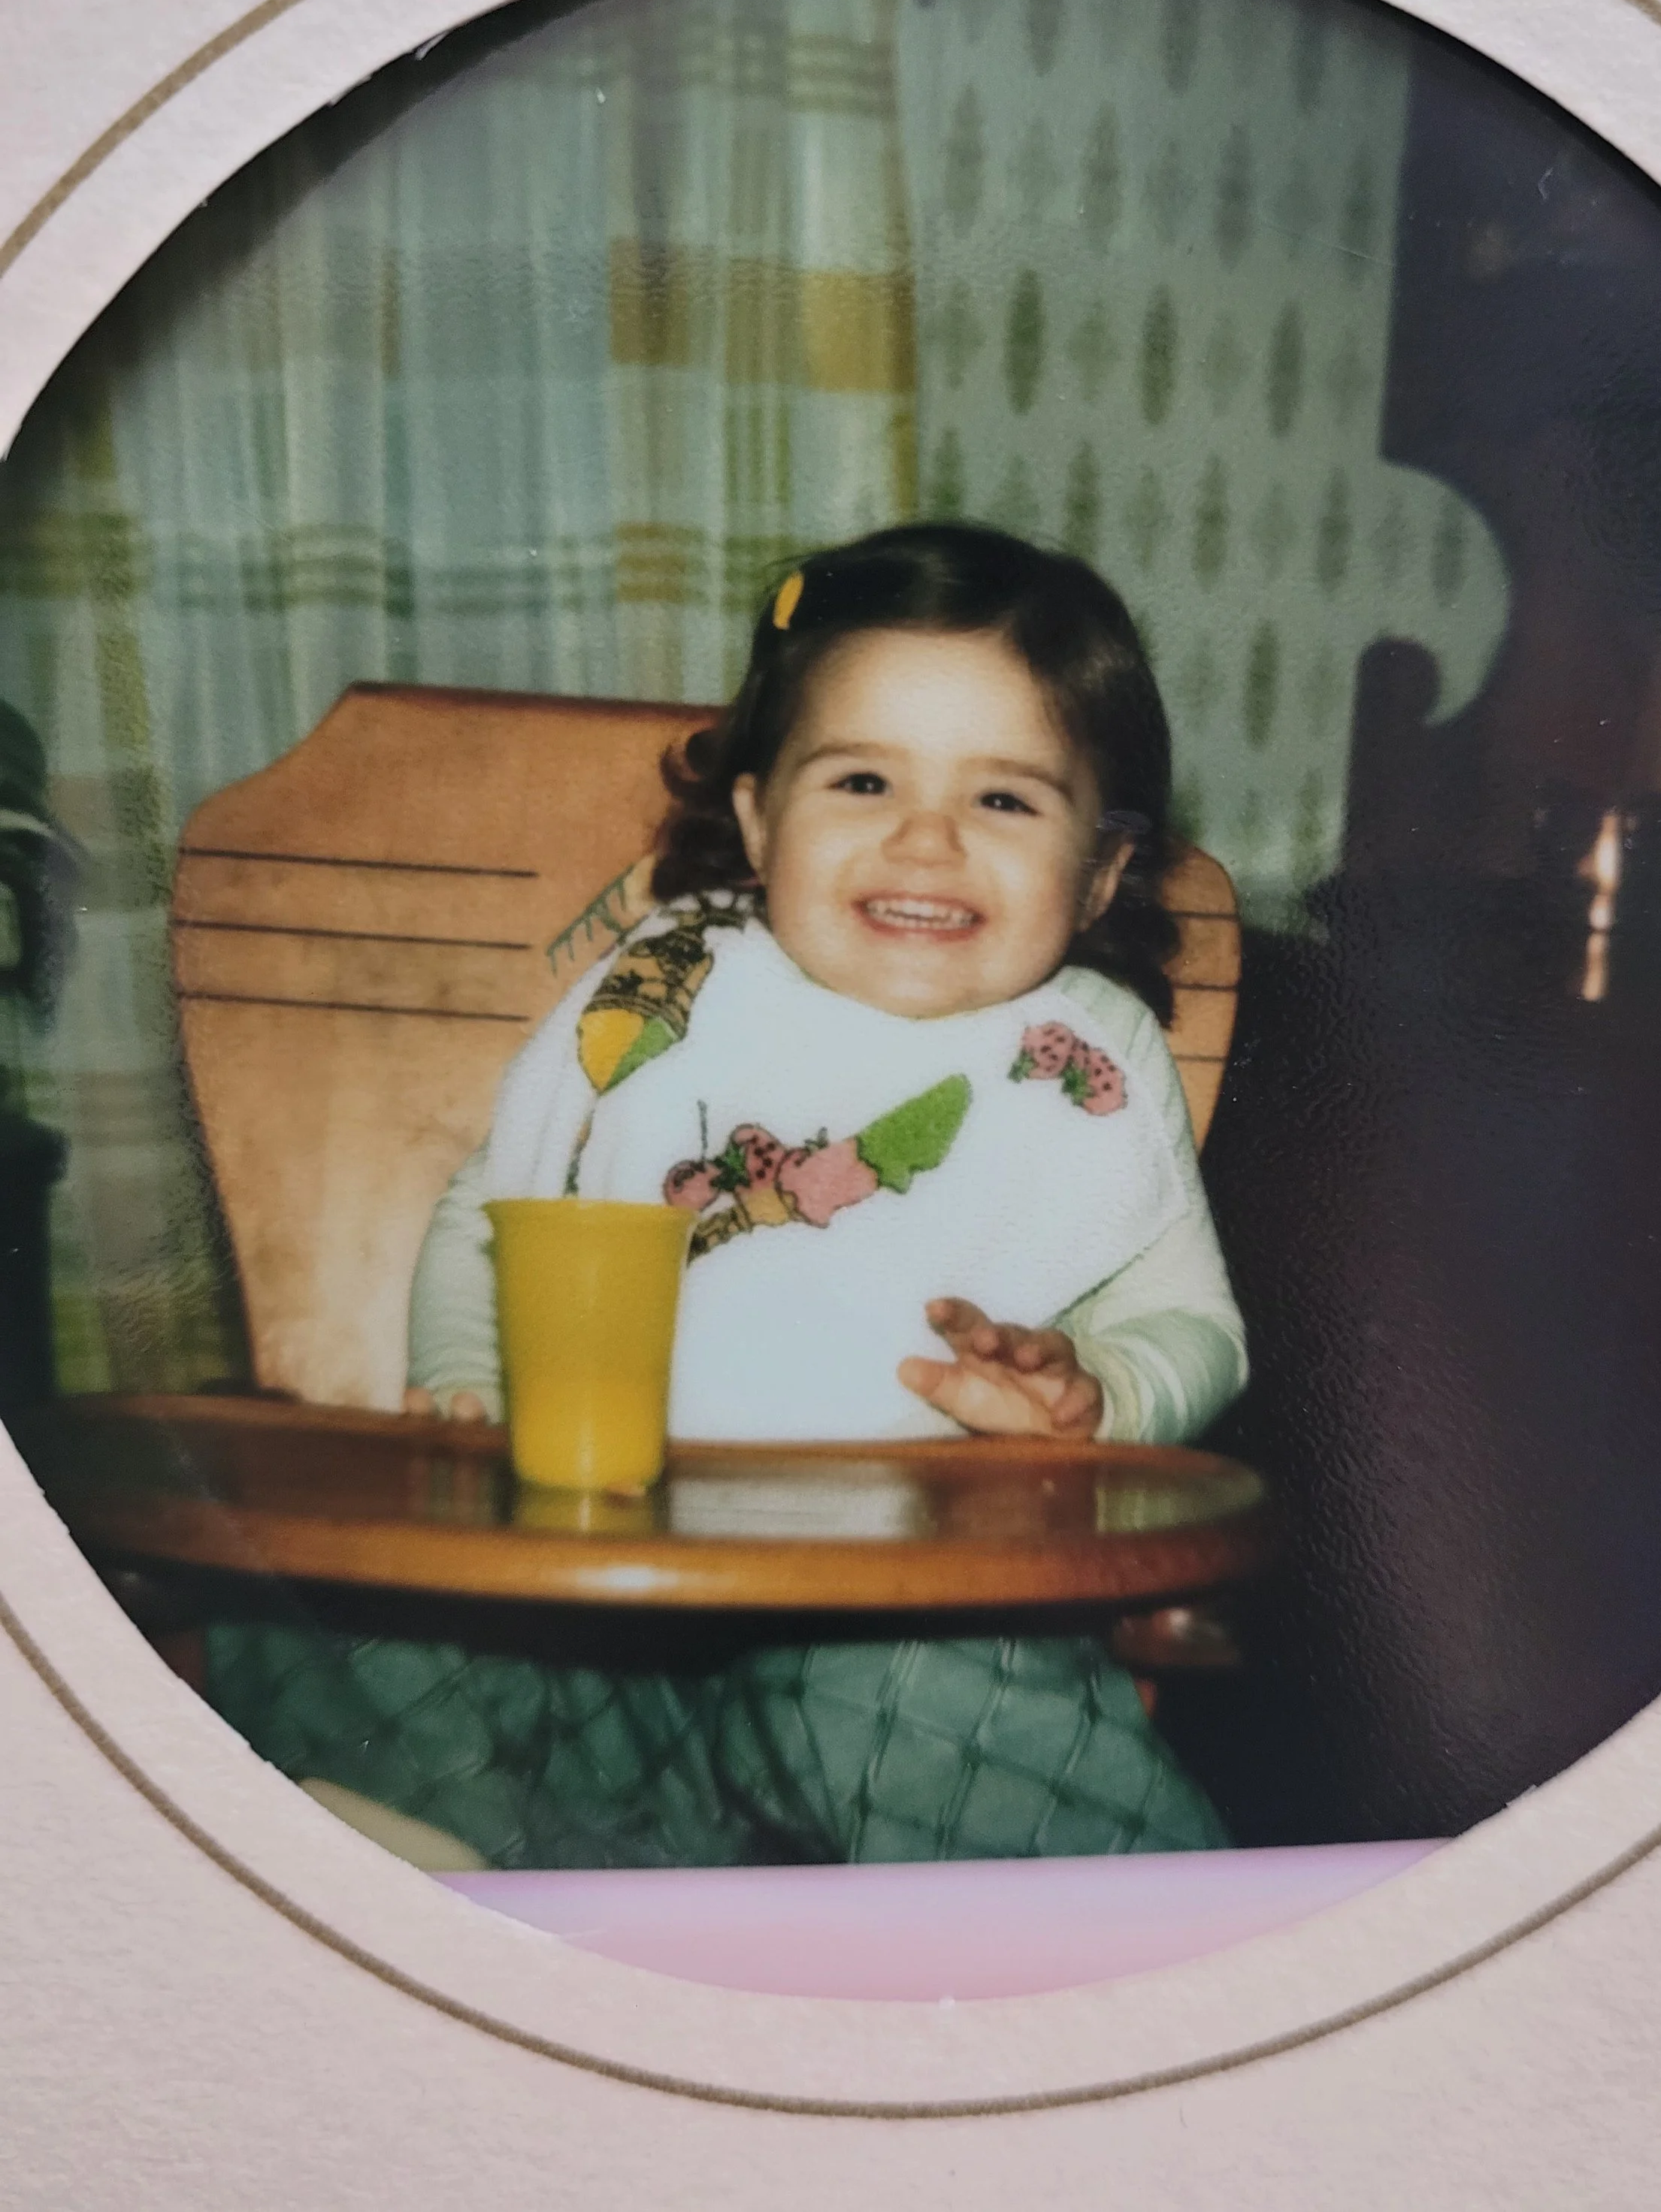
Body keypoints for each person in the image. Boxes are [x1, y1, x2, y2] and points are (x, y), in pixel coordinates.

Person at [206, 525, 1248, 1869]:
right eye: (864, 780)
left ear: (1102, 868)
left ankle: (1049, 1977)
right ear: (760, 820)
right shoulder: (669, 990)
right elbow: (501, 1205)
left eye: (1005, 801)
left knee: (950, 1705)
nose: (924, 840)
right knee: (324, 1614)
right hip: (587, 1588)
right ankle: (480, 1904)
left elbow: (1197, 1326)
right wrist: (472, 1391)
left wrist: (1095, 1387)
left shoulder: (1087, 1073)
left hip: (901, 1614)